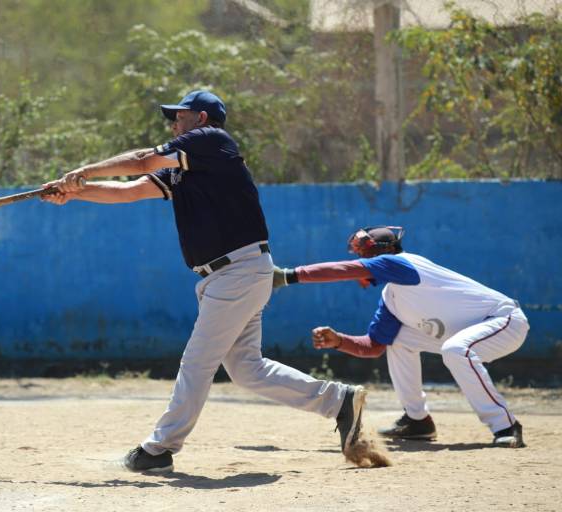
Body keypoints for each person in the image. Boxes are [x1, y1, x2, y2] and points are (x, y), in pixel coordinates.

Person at [42, 90, 368, 473]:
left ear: (200, 117)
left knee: (197, 362)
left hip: (238, 273)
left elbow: (141, 160)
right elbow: (129, 190)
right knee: (247, 369)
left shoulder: (211, 140)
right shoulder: (184, 171)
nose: (173, 123)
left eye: (178, 116)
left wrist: (86, 170)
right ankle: (338, 401)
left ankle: (159, 448)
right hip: (231, 275)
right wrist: (76, 191)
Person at [273, 226, 529, 448]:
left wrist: (288, 276)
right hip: (466, 335)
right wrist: (339, 340)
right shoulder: (392, 297)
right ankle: (418, 421)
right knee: (400, 339)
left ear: (382, 253)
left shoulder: (403, 262)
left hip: (504, 321)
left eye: (365, 253)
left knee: (454, 349)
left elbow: (344, 269)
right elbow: (373, 346)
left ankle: (506, 427)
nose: (361, 258)